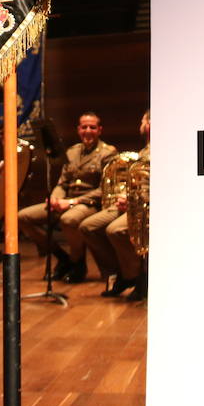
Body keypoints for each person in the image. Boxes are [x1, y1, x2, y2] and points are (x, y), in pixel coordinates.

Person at [17, 112, 117, 283]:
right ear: (78, 129)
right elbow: (62, 183)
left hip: (89, 204)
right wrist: (55, 199)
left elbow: (105, 189)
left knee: (69, 219)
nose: (88, 131)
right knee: (22, 217)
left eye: (92, 127)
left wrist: (71, 202)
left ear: (99, 130)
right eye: (84, 127)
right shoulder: (72, 152)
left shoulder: (108, 153)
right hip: (64, 201)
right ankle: (62, 257)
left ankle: (77, 264)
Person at [82, 109, 150, 299]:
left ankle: (139, 277)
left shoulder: (159, 147)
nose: (141, 125)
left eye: (143, 121)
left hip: (144, 205)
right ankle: (121, 272)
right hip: (130, 201)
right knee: (88, 226)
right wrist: (123, 195)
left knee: (116, 230)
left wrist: (132, 200)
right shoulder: (145, 148)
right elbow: (134, 178)